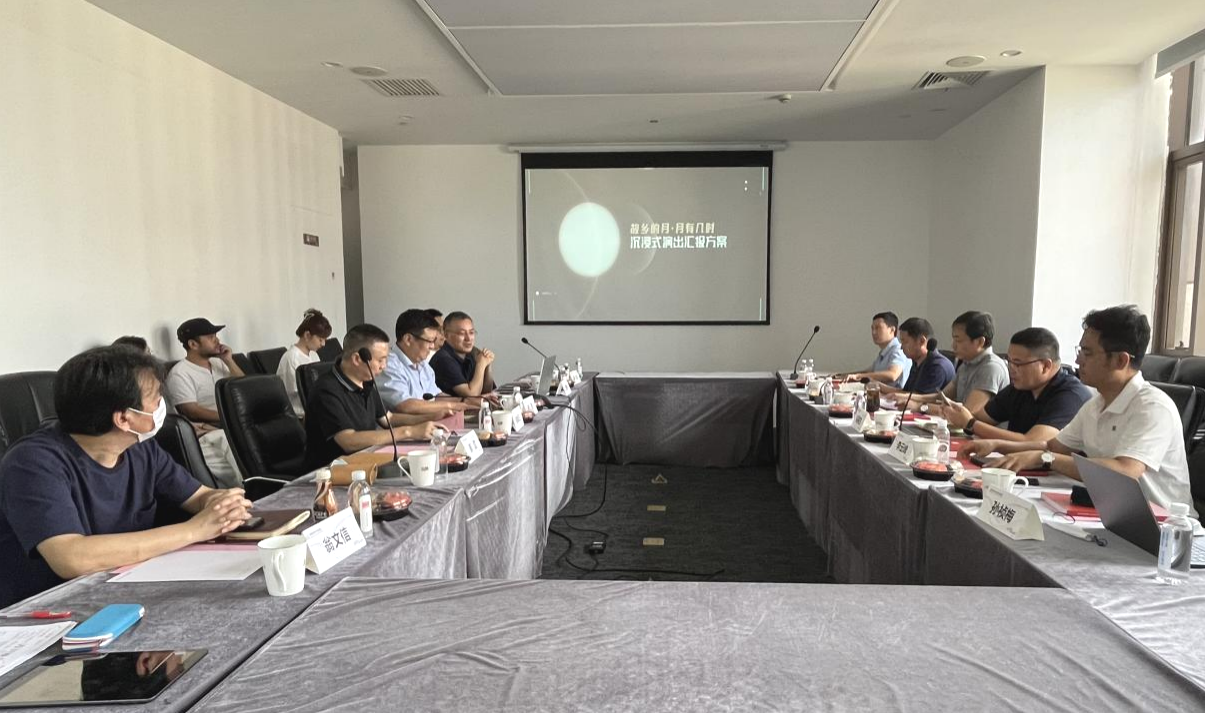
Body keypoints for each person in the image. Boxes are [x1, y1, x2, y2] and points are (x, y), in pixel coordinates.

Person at [0, 346, 252, 607]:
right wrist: (194, 530)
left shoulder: (140, 447)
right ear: (123, 418)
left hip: (124, 588)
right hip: (47, 608)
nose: (161, 405)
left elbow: (198, 497)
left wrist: (220, 503)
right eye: (156, 398)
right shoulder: (32, 463)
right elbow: (71, 558)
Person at [960, 306, 1194, 515]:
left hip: (1165, 528)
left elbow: (1125, 471)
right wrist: (996, 445)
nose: (1078, 360)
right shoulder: (1096, 404)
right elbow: (1052, 446)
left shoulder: (1152, 407)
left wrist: (1047, 459)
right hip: (1110, 513)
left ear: (1121, 361)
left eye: (1087, 353)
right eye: (1080, 350)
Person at [304, 324, 437, 469]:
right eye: (380, 360)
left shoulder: (366, 382)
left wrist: (431, 418)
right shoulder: (326, 390)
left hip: (366, 460)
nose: (384, 366)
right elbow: (348, 441)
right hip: (333, 471)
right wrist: (409, 432)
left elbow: (388, 418)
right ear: (357, 359)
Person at [938, 327, 1090, 443]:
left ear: (1045, 366)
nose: (1011, 369)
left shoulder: (1070, 395)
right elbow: (979, 418)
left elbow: (1033, 441)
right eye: (1009, 361)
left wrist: (971, 423)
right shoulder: (1020, 388)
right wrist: (957, 414)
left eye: (1018, 363)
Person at [164, 318, 244, 487]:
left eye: (215, 336)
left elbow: (243, 387)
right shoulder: (180, 373)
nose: (217, 340)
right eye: (210, 337)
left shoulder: (218, 363)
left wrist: (229, 361)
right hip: (207, 432)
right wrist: (228, 418)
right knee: (236, 459)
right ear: (193, 344)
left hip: (233, 426)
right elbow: (190, 410)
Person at [910, 311, 1009, 415]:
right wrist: (906, 397)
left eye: (959, 341)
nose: (953, 346)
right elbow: (941, 397)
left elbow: (967, 413)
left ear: (980, 342)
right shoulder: (966, 364)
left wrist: (920, 407)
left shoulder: (991, 368)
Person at [378, 309, 468, 418]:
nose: (432, 346)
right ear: (408, 339)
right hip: (403, 427)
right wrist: (453, 406)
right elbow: (405, 405)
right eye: (430, 341)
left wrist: (469, 402)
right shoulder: (388, 365)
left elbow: (437, 396)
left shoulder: (423, 364)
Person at [277, 308, 333, 418]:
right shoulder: (291, 358)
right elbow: (299, 392)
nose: (323, 344)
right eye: (320, 339)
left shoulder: (314, 355)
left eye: (325, 340)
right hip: (300, 415)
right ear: (307, 335)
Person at [432, 311, 497, 400]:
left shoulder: (472, 353)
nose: (468, 338)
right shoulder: (443, 359)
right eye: (462, 333)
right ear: (446, 335)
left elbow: (486, 393)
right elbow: (471, 395)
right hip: (452, 408)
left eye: (471, 332)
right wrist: (481, 365)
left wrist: (487, 365)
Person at [882, 317, 954, 395]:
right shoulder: (916, 362)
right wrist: (879, 387)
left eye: (905, 342)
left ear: (922, 341)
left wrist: (884, 390)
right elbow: (907, 393)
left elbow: (920, 398)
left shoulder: (937, 367)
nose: (901, 347)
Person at [842, 312, 911, 389]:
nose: (874, 332)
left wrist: (858, 376)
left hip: (894, 395)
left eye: (878, 328)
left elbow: (893, 374)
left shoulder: (898, 350)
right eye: (872, 328)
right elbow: (869, 372)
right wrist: (843, 376)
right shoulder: (884, 351)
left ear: (892, 330)